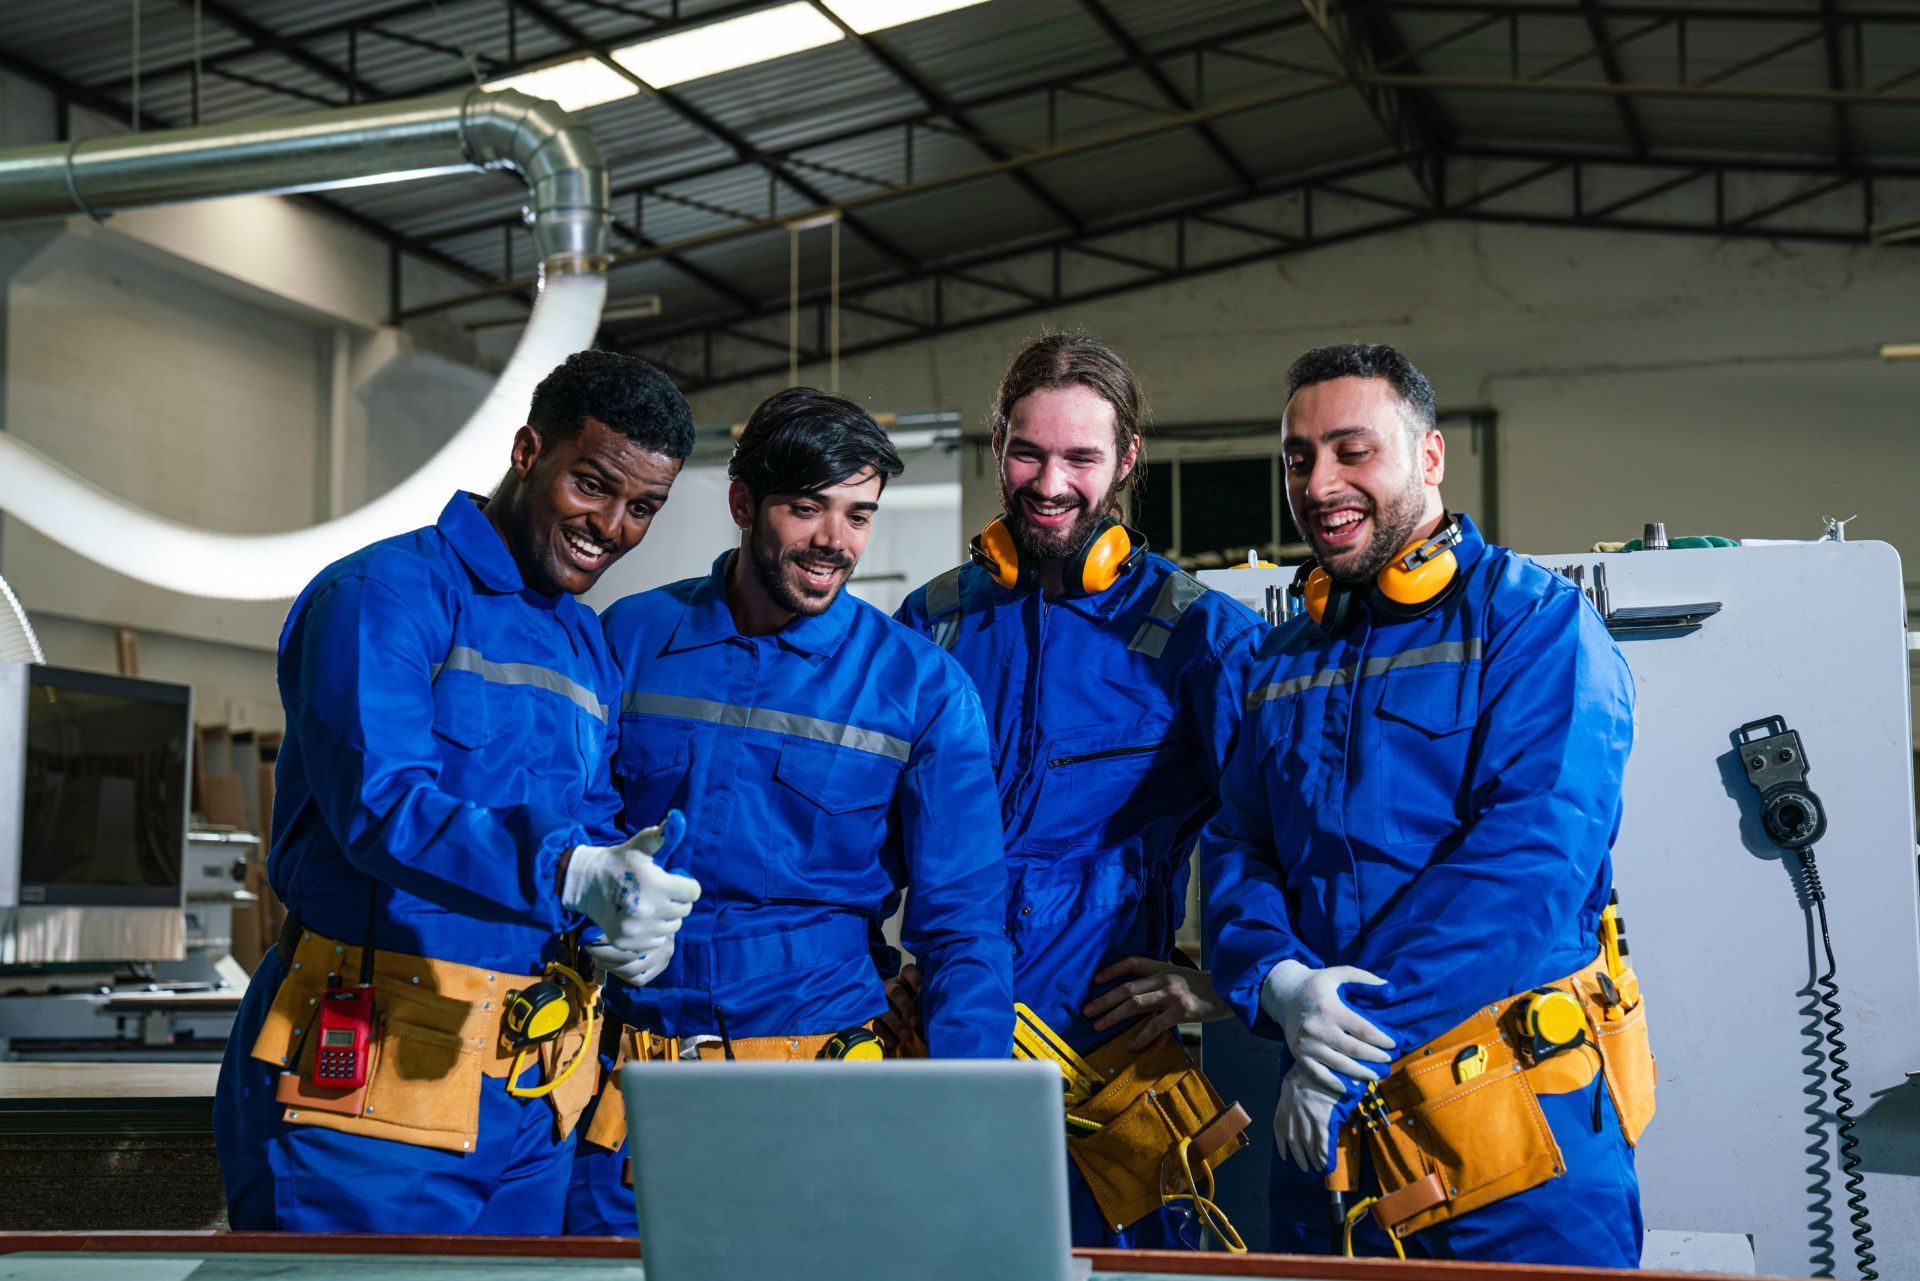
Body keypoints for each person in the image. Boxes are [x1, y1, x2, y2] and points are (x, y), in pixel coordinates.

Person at [214, 351, 704, 1233]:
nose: (613, 526)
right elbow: (381, 806)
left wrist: (621, 915)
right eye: (592, 485)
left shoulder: (582, 642)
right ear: (527, 451)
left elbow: (592, 826)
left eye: (644, 508)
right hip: (366, 1090)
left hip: (531, 1096)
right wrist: (568, 871)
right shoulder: (384, 594)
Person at [1200, 342, 1648, 1265]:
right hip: (1324, 1152)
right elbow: (1238, 845)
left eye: (1350, 450)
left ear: (1430, 457)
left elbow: (1531, 865)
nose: (1319, 482)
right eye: (1298, 457)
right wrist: (1281, 985)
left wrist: (1348, 1042)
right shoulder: (1283, 658)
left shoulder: (1537, 627)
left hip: (1513, 1150)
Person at [564, 387, 1014, 1236]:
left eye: (858, 514)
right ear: (743, 503)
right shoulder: (628, 637)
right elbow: (571, 825)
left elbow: (963, 927)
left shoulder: (918, 687)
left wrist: (969, 1109)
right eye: (807, 509)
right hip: (621, 1095)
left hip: (821, 1084)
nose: (834, 543)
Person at [894, 333, 1268, 1248]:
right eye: (1028, 452)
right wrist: (872, 959)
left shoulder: (1199, 637)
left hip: (1108, 1064)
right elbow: (859, 825)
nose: (1049, 481)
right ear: (997, 448)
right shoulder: (932, 624)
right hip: (942, 1041)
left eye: (1080, 457)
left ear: (1128, 460)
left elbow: (1272, 831)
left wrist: (1223, 981)